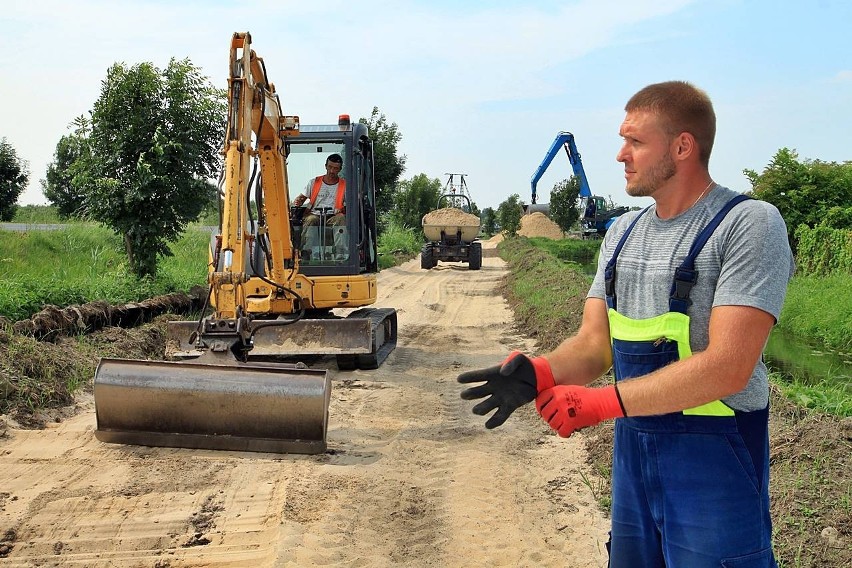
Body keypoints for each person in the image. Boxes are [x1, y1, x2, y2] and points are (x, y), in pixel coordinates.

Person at [458, 81, 793, 567]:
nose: (620, 154)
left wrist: (599, 403)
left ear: (682, 146)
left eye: (635, 141)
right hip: (634, 466)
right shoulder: (621, 233)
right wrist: (542, 372)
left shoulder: (749, 225)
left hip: (715, 476)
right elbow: (595, 344)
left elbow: (728, 368)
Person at [292, 153, 347, 257]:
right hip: (315, 214)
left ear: (340, 169)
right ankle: (305, 252)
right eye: (330, 167)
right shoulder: (314, 182)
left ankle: (340, 253)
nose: (332, 171)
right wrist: (298, 202)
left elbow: (349, 203)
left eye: (335, 168)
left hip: (333, 216)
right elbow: (300, 199)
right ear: (325, 166)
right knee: (310, 220)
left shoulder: (344, 185)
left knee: (341, 218)